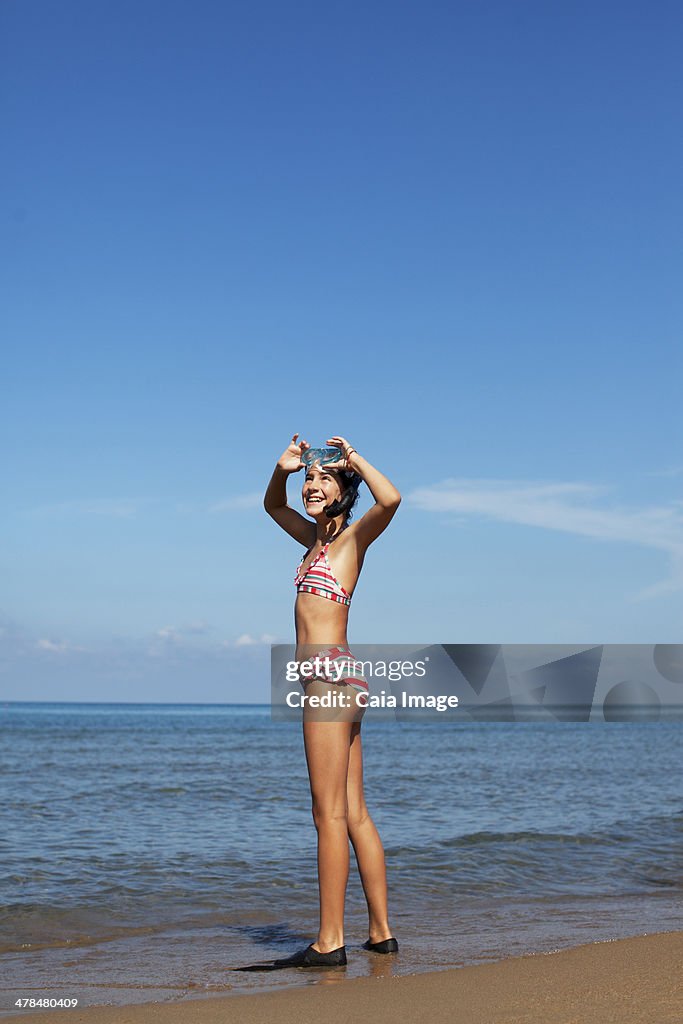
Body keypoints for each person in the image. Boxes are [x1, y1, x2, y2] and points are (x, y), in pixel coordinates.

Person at [263, 433, 401, 968]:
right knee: (355, 813)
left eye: (322, 479)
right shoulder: (312, 544)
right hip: (343, 680)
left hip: (326, 683)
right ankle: (381, 933)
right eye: (307, 480)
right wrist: (283, 468)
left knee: (328, 816)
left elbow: (390, 500)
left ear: (345, 489)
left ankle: (329, 940)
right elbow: (272, 504)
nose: (310, 487)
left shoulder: (348, 543)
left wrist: (356, 460)